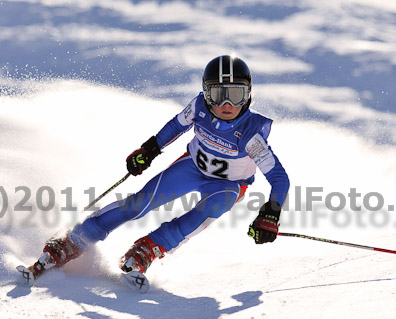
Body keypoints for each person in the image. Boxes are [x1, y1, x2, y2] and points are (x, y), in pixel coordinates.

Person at [20, 55, 290, 284]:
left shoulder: (251, 134)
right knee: (139, 204)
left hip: (227, 185)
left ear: (249, 94)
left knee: (209, 210)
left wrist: (271, 213)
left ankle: (148, 249)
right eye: (218, 95)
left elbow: (279, 178)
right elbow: (176, 125)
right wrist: (149, 150)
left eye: (236, 94)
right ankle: (73, 240)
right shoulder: (199, 107)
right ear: (206, 94)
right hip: (192, 167)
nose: (227, 105)